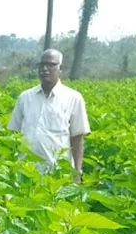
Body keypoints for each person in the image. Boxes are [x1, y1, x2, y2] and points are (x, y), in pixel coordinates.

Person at [7, 49, 91, 182]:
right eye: (41, 65)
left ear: (60, 68)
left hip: (58, 174)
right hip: (26, 173)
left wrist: (77, 173)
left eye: (51, 65)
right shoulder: (25, 97)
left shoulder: (73, 98)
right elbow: (13, 134)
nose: (45, 69)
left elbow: (77, 138)